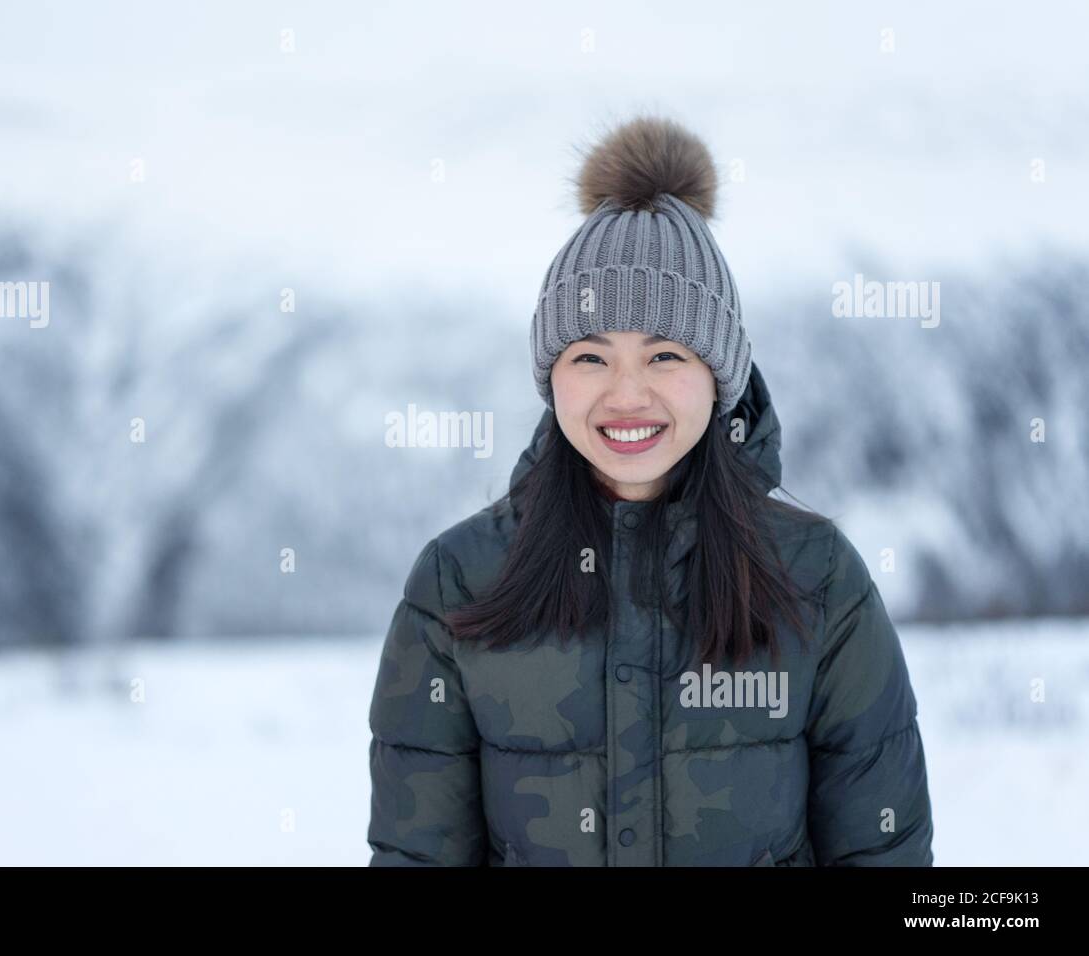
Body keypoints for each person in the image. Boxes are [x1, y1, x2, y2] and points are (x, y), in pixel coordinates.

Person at [366, 115, 934, 866]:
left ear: (718, 375)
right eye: (590, 357)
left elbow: (883, 853)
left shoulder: (818, 578)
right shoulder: (458, 581)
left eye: (665, 354)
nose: (626, 395)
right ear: (551, 377)